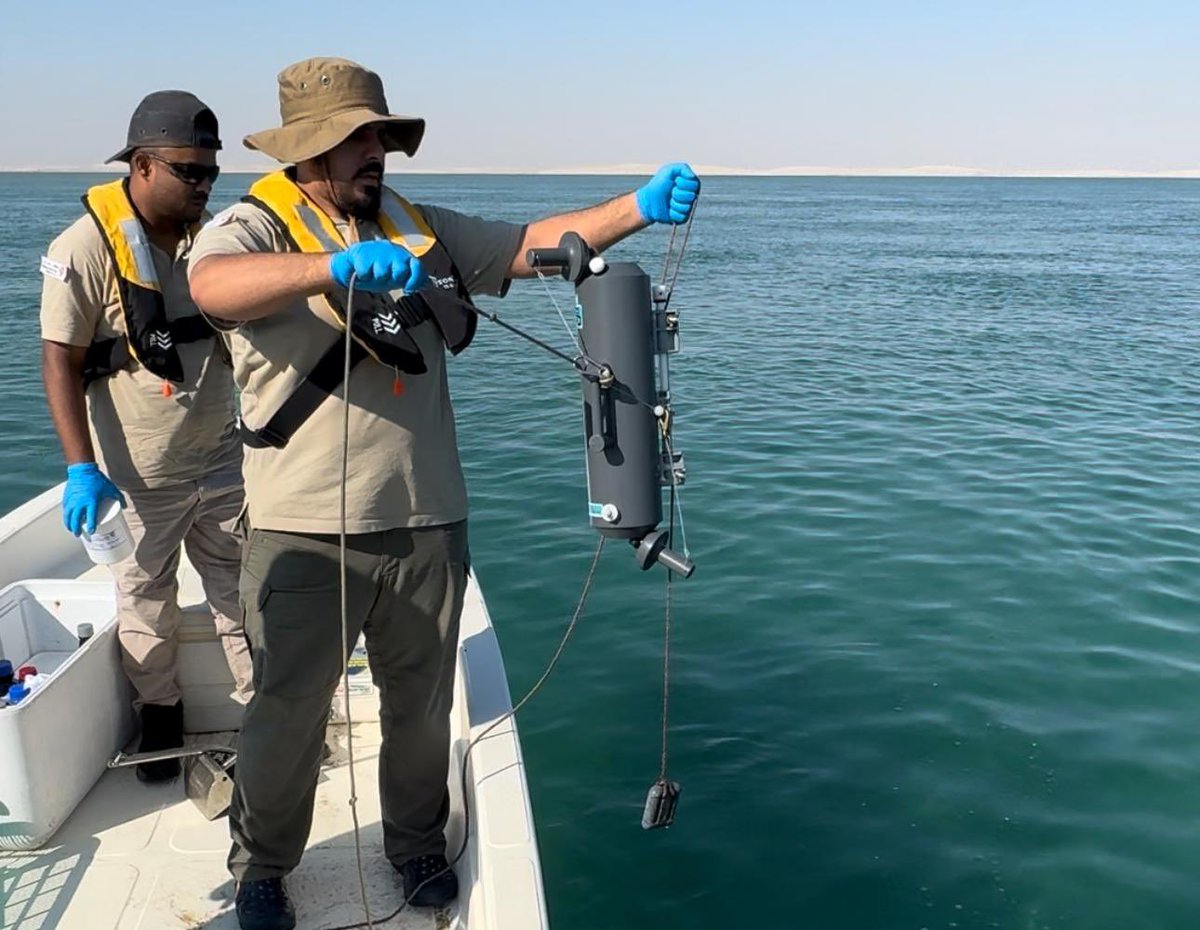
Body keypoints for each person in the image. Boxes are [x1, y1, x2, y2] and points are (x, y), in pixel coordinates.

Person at [188, 56, 699, 930]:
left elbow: (532, 244)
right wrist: (330, 269)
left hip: (429, 519)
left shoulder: (417, 224)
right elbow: (212, 286)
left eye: (381, 136)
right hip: (301, 529)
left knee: (421, 708)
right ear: (307, 150)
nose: (376, 152)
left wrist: (637, 209)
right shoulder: (254, 225)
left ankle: (417, 846)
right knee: (288, 713)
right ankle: (263, 868)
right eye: (356, 139)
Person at [39, 91, 253, 784]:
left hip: (223, 460)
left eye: (211, 173)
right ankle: (160, 717)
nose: (204, 185)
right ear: (142, 166)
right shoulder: (83, 249)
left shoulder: (214, 243)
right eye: (189, 172)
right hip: (137, 476)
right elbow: (59, 359)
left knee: (243, 589)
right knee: (145, 601)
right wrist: (80, 467)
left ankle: (267, 714)